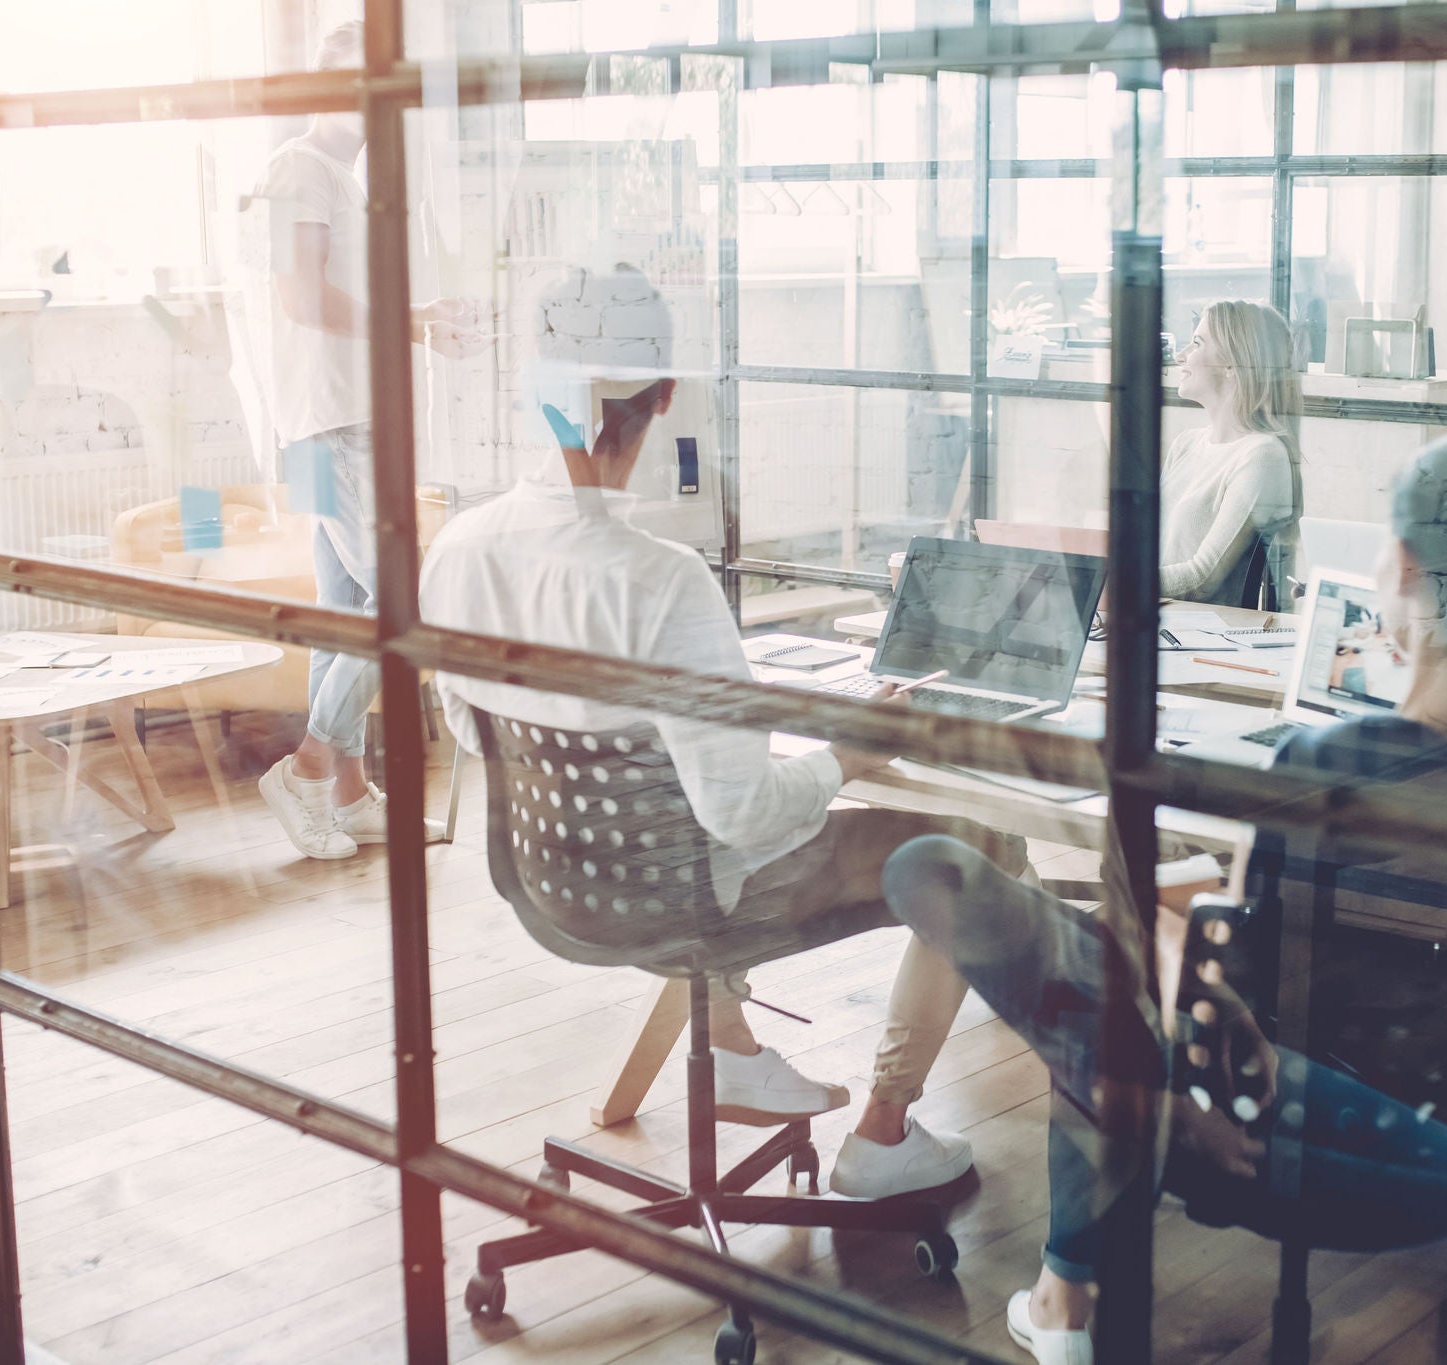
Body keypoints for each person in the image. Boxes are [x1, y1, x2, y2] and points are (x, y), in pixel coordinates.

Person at [882, 431, 1447, 1364]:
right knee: (1118, 974)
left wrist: (1160, 936)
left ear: (1402, 568)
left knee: (951, 881)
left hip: (1258, 1133)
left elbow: (1233, 997)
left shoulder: (1336, 765)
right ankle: (1061, 1298)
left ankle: (1063, 1304)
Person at [420, 264, 1030, 1198]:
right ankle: (882, 1131)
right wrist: (846, 755)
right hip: (683, 894)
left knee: (696, 827)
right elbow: (744, 814)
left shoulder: (460, 546)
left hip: (553, 884)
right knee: (981, 844)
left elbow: (473, 732)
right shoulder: (661, 579)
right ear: (665, 396)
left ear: (534, 385)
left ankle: (735, 1044)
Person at [252, 20, 483, 861]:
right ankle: (308, 766)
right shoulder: (296, 174)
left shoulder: (338, 181)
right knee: (399, 603)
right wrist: (417, 323)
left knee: (344, 611)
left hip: (338, 421)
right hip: (329, 422)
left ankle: (346, 792)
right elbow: (301, 301)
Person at [1162, 300, 1302, 606]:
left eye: (1197, 343)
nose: (1180, 355)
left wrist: (1116, 581)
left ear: (1232, 366)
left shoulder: (1262, 455)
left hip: (1196, 638)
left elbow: (1202, 579)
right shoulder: (1186, 444)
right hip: (1149, 619)